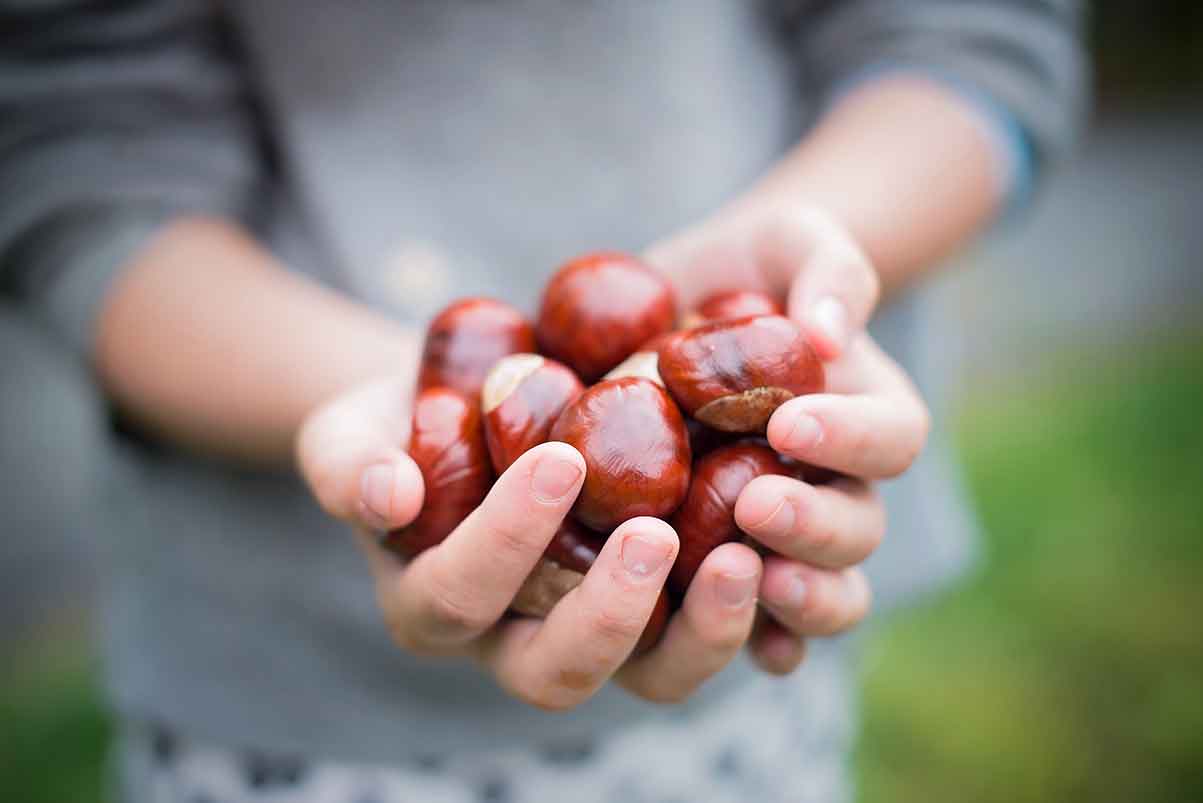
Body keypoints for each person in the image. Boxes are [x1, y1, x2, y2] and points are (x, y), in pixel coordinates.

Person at [0, 2, 1087, 801]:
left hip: (744, 689)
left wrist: (824, 260)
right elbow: (70, 146)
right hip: (281, 698)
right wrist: (356, 395)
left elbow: (970, 32)